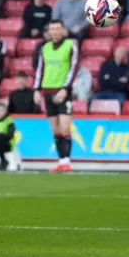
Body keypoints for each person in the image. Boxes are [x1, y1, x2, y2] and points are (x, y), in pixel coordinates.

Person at [34, 20, 79, 172]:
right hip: (47, 90)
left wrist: (66, 88)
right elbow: (40, 69)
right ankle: (61, 161)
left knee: (65, 126)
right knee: (55, 129)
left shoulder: (70, 46)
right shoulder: (45, 47)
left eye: (57, 29)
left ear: (63, 30)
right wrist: (36, 89)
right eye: (52, 29)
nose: (54, 32)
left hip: (62, 90)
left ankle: (67, 161)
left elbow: (74, 68)